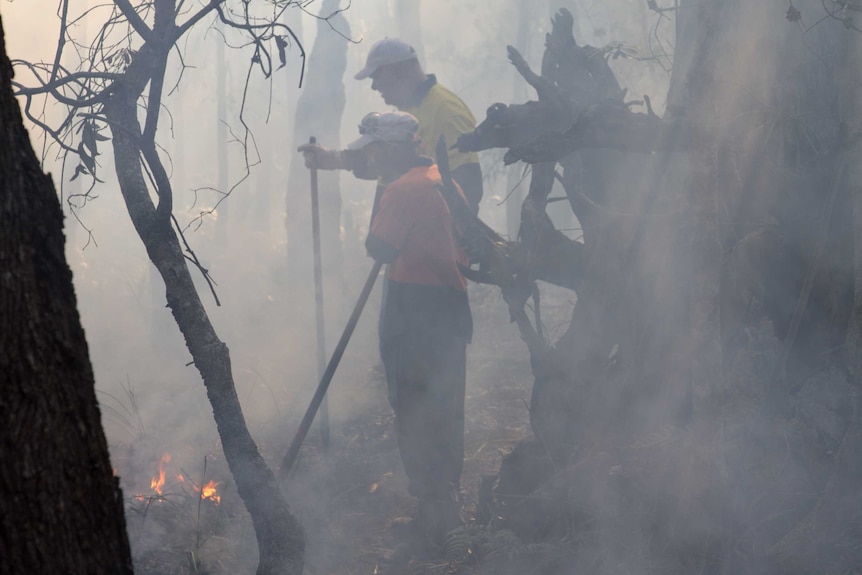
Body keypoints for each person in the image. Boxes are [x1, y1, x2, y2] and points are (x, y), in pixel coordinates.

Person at [345, 111, 473, 548]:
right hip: (452, 307)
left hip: (415, 308)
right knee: (445, 406)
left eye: (375, 149)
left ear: (391, 149)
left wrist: (384, 191)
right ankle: (445, 504)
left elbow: (378, 247)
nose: (372, 159)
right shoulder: (441, 177)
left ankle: (434, 517)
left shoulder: (401, 190)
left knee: (415, 409)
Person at [299, 37, 483, 213]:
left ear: (398, 71)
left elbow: (467, 187)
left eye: (376, 76)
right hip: (396, 233)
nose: (373, 87)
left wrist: (424, 233)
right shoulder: (408, 110)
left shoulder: (445, 110)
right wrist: (332, 159)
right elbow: (389, 162)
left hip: (419, 239)